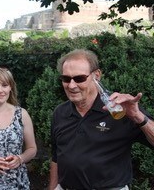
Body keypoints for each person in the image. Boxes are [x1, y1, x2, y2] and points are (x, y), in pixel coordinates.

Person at [49, 49, 154, 190]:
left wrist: (138, 117)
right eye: (66, 79)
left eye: (79, 78)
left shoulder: (121, 108)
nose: (71, 85)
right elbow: (56, 157)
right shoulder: (60, 112)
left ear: (96, 75)